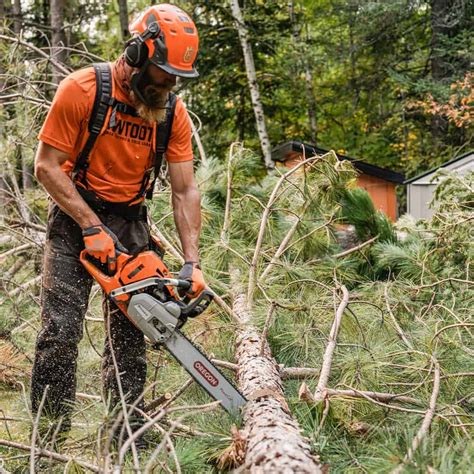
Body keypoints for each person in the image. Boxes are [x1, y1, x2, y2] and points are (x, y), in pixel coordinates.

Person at [31, 4, 206, 445]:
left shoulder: (171, 112)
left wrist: (192, 263)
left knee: (131, 338)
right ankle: (47, 441)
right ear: (135, 52)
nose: (168, 84)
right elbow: (47, 167)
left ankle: (127, 436)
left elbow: (185, 190)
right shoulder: (84, 90)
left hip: (131, 225)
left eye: (175, 77)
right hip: (75, 218)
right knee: (59, 331)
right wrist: (90, 225)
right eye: (162, 73)